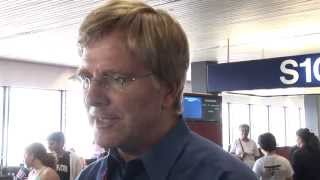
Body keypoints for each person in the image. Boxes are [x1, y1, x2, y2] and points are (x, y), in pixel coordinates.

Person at [75, 0, 257, 180]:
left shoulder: (225, 176)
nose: (92, 97)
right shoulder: (89, 176)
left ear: (169, 90)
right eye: (86, 78)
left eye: (116, 79)